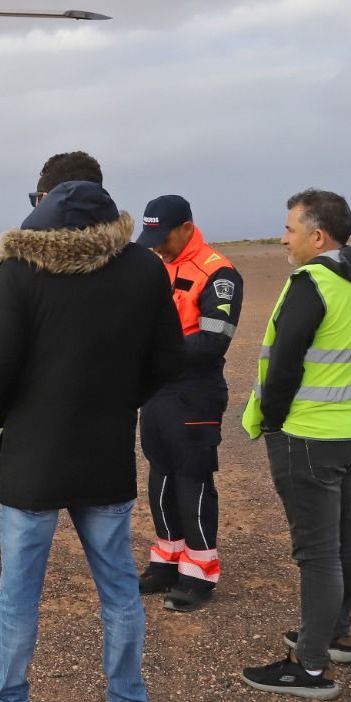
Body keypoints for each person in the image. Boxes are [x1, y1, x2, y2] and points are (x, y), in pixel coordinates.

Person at [0, 178, 182, 702]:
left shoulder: (20, 271)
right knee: (118, 587)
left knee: (18, 591)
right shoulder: (143, 270)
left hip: (33, 455)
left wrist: (10, 414)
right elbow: (167, 360)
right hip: (105, 452)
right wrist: (118, 401)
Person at [239, 189, 351, 700]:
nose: (283, 238)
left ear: (317, 236)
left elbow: (283, 366)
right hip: (348, 430)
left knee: (318, 552)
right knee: (341, 539)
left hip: (308, 435)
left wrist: (273, 421)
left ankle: (312, 666)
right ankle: (333, 634)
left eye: (290, 229)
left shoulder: (312, 281)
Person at [134, 195, 244, 612]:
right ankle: (167, 561)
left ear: (186, 227)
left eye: (163, 237)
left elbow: (214, 340)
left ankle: (199, 573)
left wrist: (155, 350)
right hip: (157, 391)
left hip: (195, 392)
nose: (158, 245)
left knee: (192, 479)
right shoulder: (158, 266)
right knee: (160, 475)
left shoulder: (219, 274)